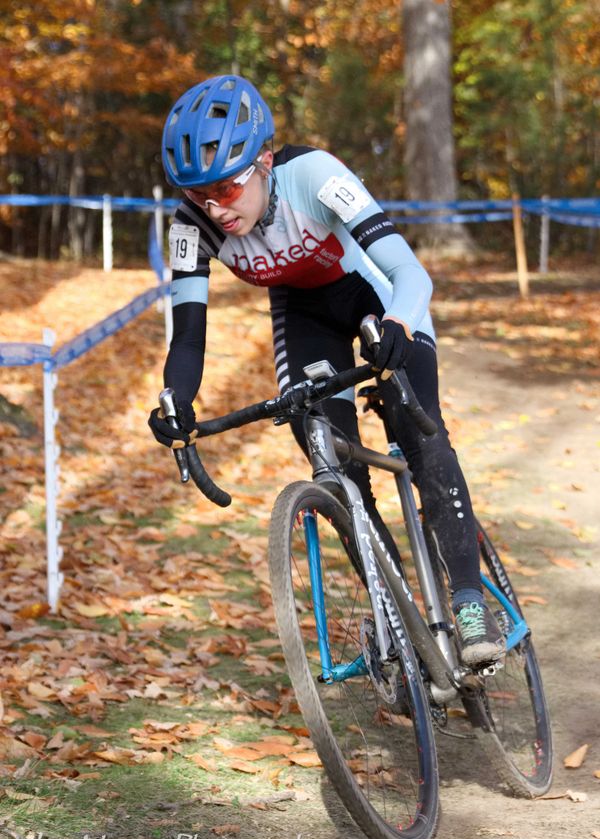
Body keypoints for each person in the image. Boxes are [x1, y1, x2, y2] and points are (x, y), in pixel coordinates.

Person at [149, 74, 505, 668]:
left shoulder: (314, 175)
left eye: (227, 187)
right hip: (303, 317)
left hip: (377, 295)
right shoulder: (192, 225)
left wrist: (398, 324)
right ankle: (401, 618)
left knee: (421, 431)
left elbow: (410, 274)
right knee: (333, 465)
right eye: (198, 194)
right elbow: (187, 338)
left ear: (264, 161)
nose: (215, 207)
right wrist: (175, 400)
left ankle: (469, 601)